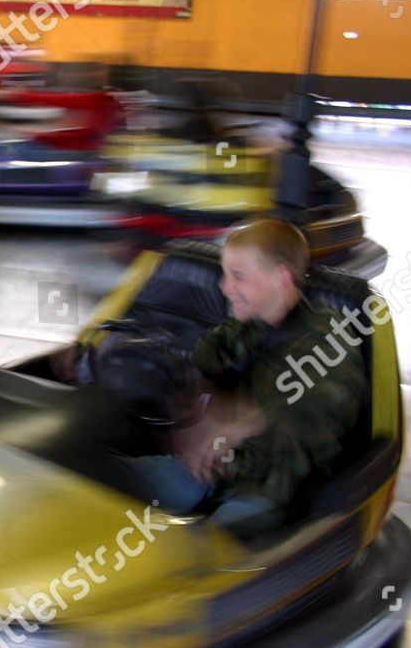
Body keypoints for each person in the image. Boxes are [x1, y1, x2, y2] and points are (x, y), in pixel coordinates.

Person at [123, 218, 367, 534]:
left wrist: (237, 425)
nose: (224, 287)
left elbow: (310, 406)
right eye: (225, 274)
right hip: (211, 470)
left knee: (204, 560)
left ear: (281, 277)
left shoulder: (329, 338)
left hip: (272, 490)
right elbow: (201, 361)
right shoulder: (251, 323)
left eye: (238, 276)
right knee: (107, 482)